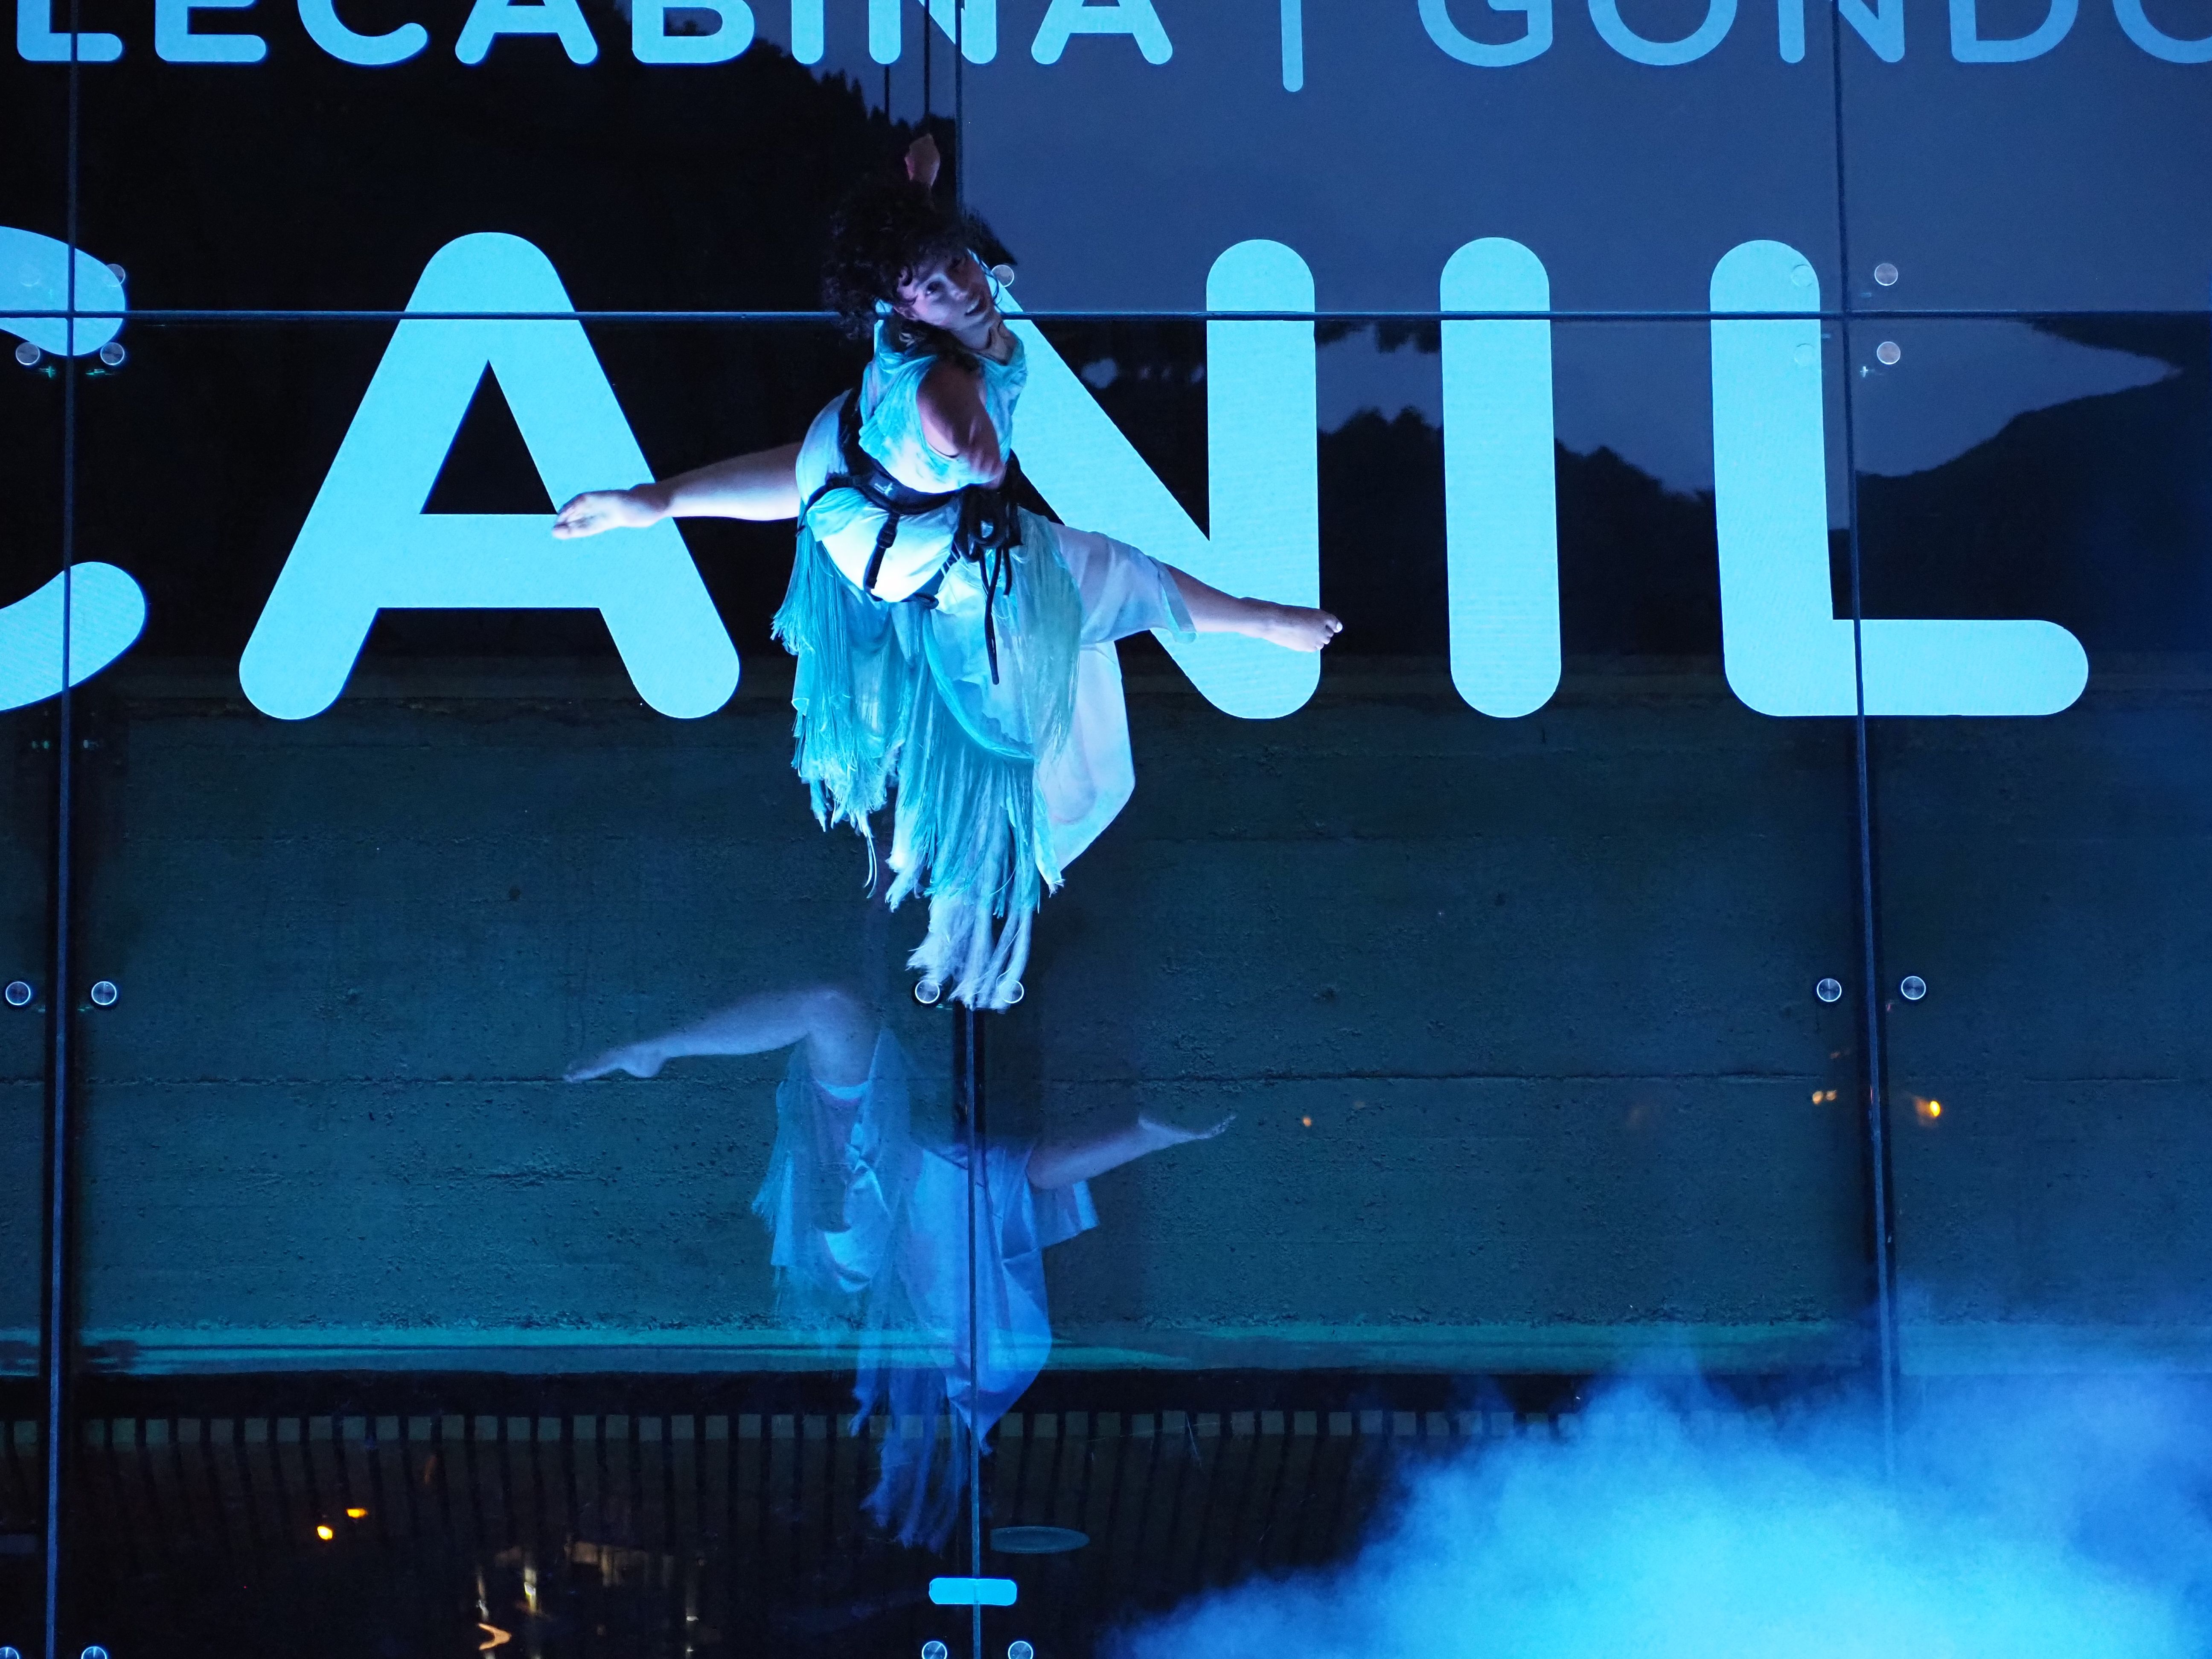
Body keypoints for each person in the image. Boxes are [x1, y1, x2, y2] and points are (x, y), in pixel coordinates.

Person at [551, 135, 1340, 1010]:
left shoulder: (923, 312)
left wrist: (919, 185)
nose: (961, 284)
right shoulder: (941, 390)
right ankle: (962, 925)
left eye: (955, 264)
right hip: (920, 551)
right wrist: (971, 450)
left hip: (856, 489)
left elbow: (826, 453)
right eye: (934, 284)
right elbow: (947, 425)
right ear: (906, 308)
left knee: (1002, 568)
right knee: (1087, 585)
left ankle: (661, 502)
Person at [566, 984, 1231, 1548]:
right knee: (845, 1029)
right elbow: (1023, 1179)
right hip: (899, 1195)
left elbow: (1013, 1178)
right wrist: (1151, 1133)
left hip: (864, 1220)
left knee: (837, 1021)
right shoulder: (989, 1350)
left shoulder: (861, 1250)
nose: (891, 1435)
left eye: (883, 1441)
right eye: (900, 1446)